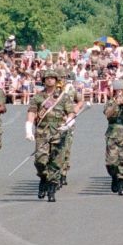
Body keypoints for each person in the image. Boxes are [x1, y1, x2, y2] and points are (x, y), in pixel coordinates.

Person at [25, 68, 80, 202]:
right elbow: (32, 112)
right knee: (40, 161)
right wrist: (28, 128)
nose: (50, 80)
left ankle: (51, 190)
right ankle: (43, 178)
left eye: (52, 78)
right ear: (44, 81)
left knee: (56, 162)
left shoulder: (63, 96)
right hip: (42, 132)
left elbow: (71, 112)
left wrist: (68, 123)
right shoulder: (38, 97)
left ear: (56, 80)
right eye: (47, 78)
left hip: (58, 132)